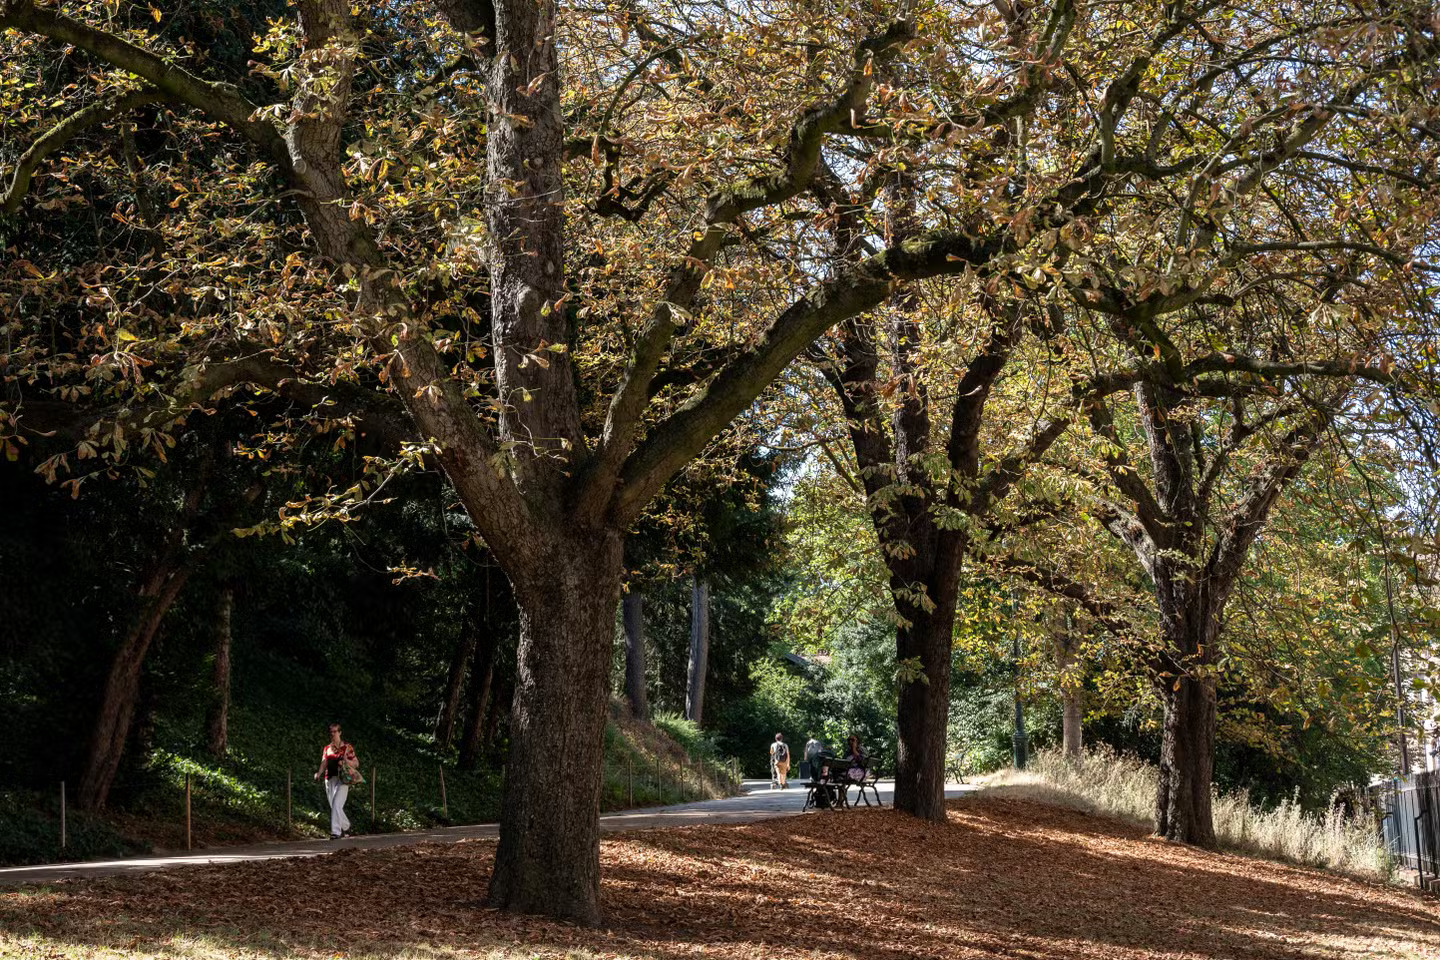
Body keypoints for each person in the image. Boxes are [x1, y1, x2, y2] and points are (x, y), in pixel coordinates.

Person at [314, 722, 362, 839]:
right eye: (331, 732)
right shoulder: (327, 748)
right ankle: (346, 826)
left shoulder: (347, 747)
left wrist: (346, 761)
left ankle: (336, 832)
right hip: (329, 778)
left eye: (335, 731)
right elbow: (324, 762)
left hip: (343, 779)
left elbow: (356, 763)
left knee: (336, 804)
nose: (333, 734)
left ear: (340, 732)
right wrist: (319, 773)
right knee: (334, 806)